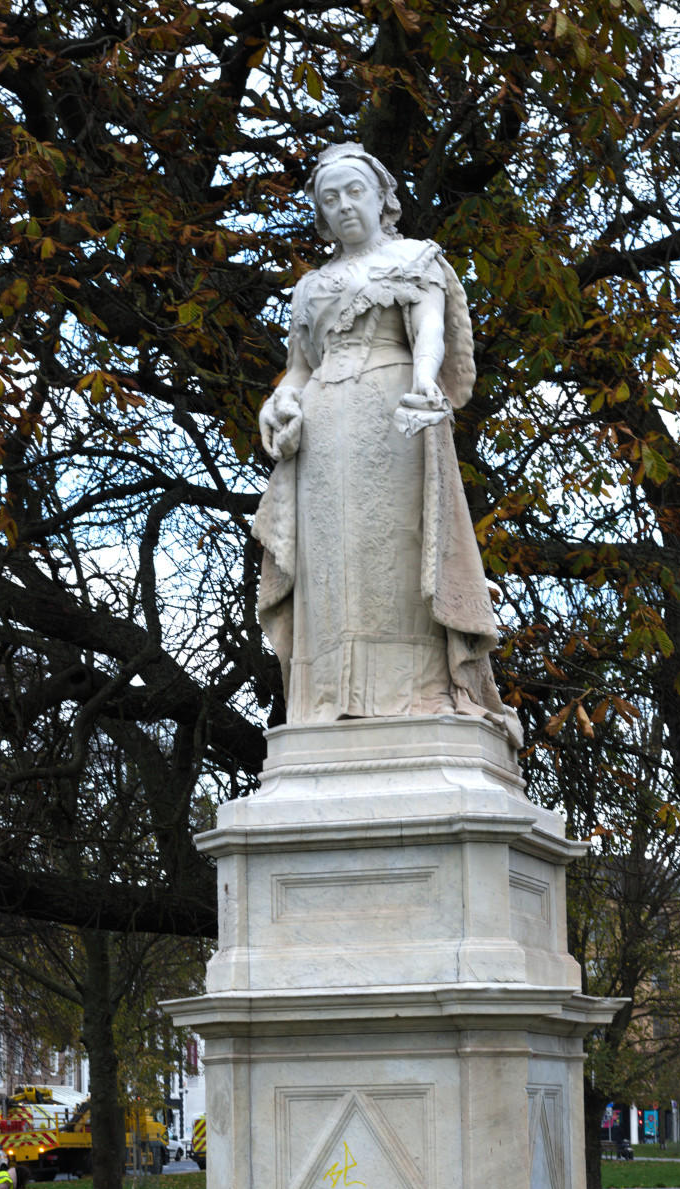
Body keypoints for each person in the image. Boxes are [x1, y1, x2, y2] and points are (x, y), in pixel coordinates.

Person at [253, 142, 518, 741]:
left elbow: (428, 331)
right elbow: (299, 367)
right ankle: (326, 699)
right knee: (330, 559)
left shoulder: (414, 259)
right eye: (330, 198)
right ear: (321, 214)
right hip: (322, 429)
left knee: (398, 550)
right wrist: (282, 399)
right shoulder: (311, 287)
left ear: (381, 198)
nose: (344, 206)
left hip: (393, 411)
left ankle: (418, 693)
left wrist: (426, 381)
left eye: (354, 192)